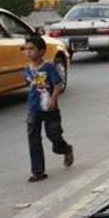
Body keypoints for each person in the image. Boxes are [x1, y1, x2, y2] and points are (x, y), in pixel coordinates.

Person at [24, 35, 73, 182]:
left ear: (41, 51)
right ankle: (37, 171)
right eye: (26, 49)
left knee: (54, 134)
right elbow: (32, 87)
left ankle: (65, 149)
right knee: (33, 138)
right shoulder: (27, 70)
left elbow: (57, 85)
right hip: (33, 108)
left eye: (31, 49)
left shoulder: (49, 67)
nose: (28, 52)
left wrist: (53, 99)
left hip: (50, 108)